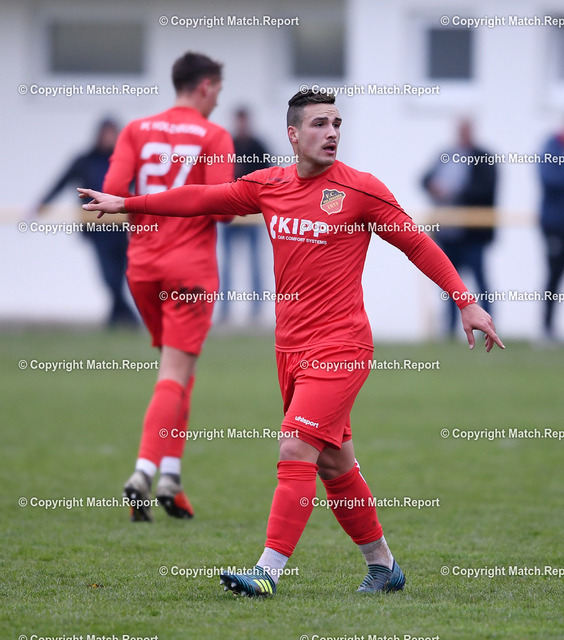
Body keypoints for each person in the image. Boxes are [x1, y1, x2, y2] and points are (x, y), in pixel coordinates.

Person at [79, 90, 503, 596]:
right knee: (334, 462)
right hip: (289, 351)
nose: (332, 132)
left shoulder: (361, 189)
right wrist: (128, 203)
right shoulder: (270, 185)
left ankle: (267, 571)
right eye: (320, 123)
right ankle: (383, 566)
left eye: (337, 123)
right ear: (293, 135)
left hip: (342, 347)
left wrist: (465, 301)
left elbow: (417, 243)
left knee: (295, 446)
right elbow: (200, 199)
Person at [101, 52, 234, 521]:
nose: (218, 100)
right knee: (175, 372)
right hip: (189, 271)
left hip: (142, 269)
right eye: (218, 91)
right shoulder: (214, 135)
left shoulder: (136, 129)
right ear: (204, 86)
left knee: (178, 369)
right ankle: (144, 471)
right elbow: (222, 208)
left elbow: (114, 188)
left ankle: (171, 480)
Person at [33, 118, 138, 327]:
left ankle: (116, 318)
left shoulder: (126, 160)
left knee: (121, 275)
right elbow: (61, 182)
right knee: (109, 276)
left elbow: (143, 185)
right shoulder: (85, 161)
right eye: (106, 134)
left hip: (121, 227)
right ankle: (128, 318)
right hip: (97, 228)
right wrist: (42, 205)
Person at [422, 119, 497, 335]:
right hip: (448, 233)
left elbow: (486, 189)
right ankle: (450, 329)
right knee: (449, 284)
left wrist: (454, 192)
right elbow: (424, 178)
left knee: (481, 283)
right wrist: (434, 187)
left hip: (473, 235)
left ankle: (489, 327)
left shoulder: (483, 157)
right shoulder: (446, 155)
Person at [218, 108, 270, 322]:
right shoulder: (227, 145)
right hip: (230, 213)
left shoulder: (258, 146)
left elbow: (269, 178)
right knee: (227, 263)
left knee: (255, 261)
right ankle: (225, 309)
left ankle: (256, 310)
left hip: (252, 213)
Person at [539, 125, 564, 341]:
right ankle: (546, 328)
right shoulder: (550, 147)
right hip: (555, 225)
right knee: (554, 275)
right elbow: (550, 179)